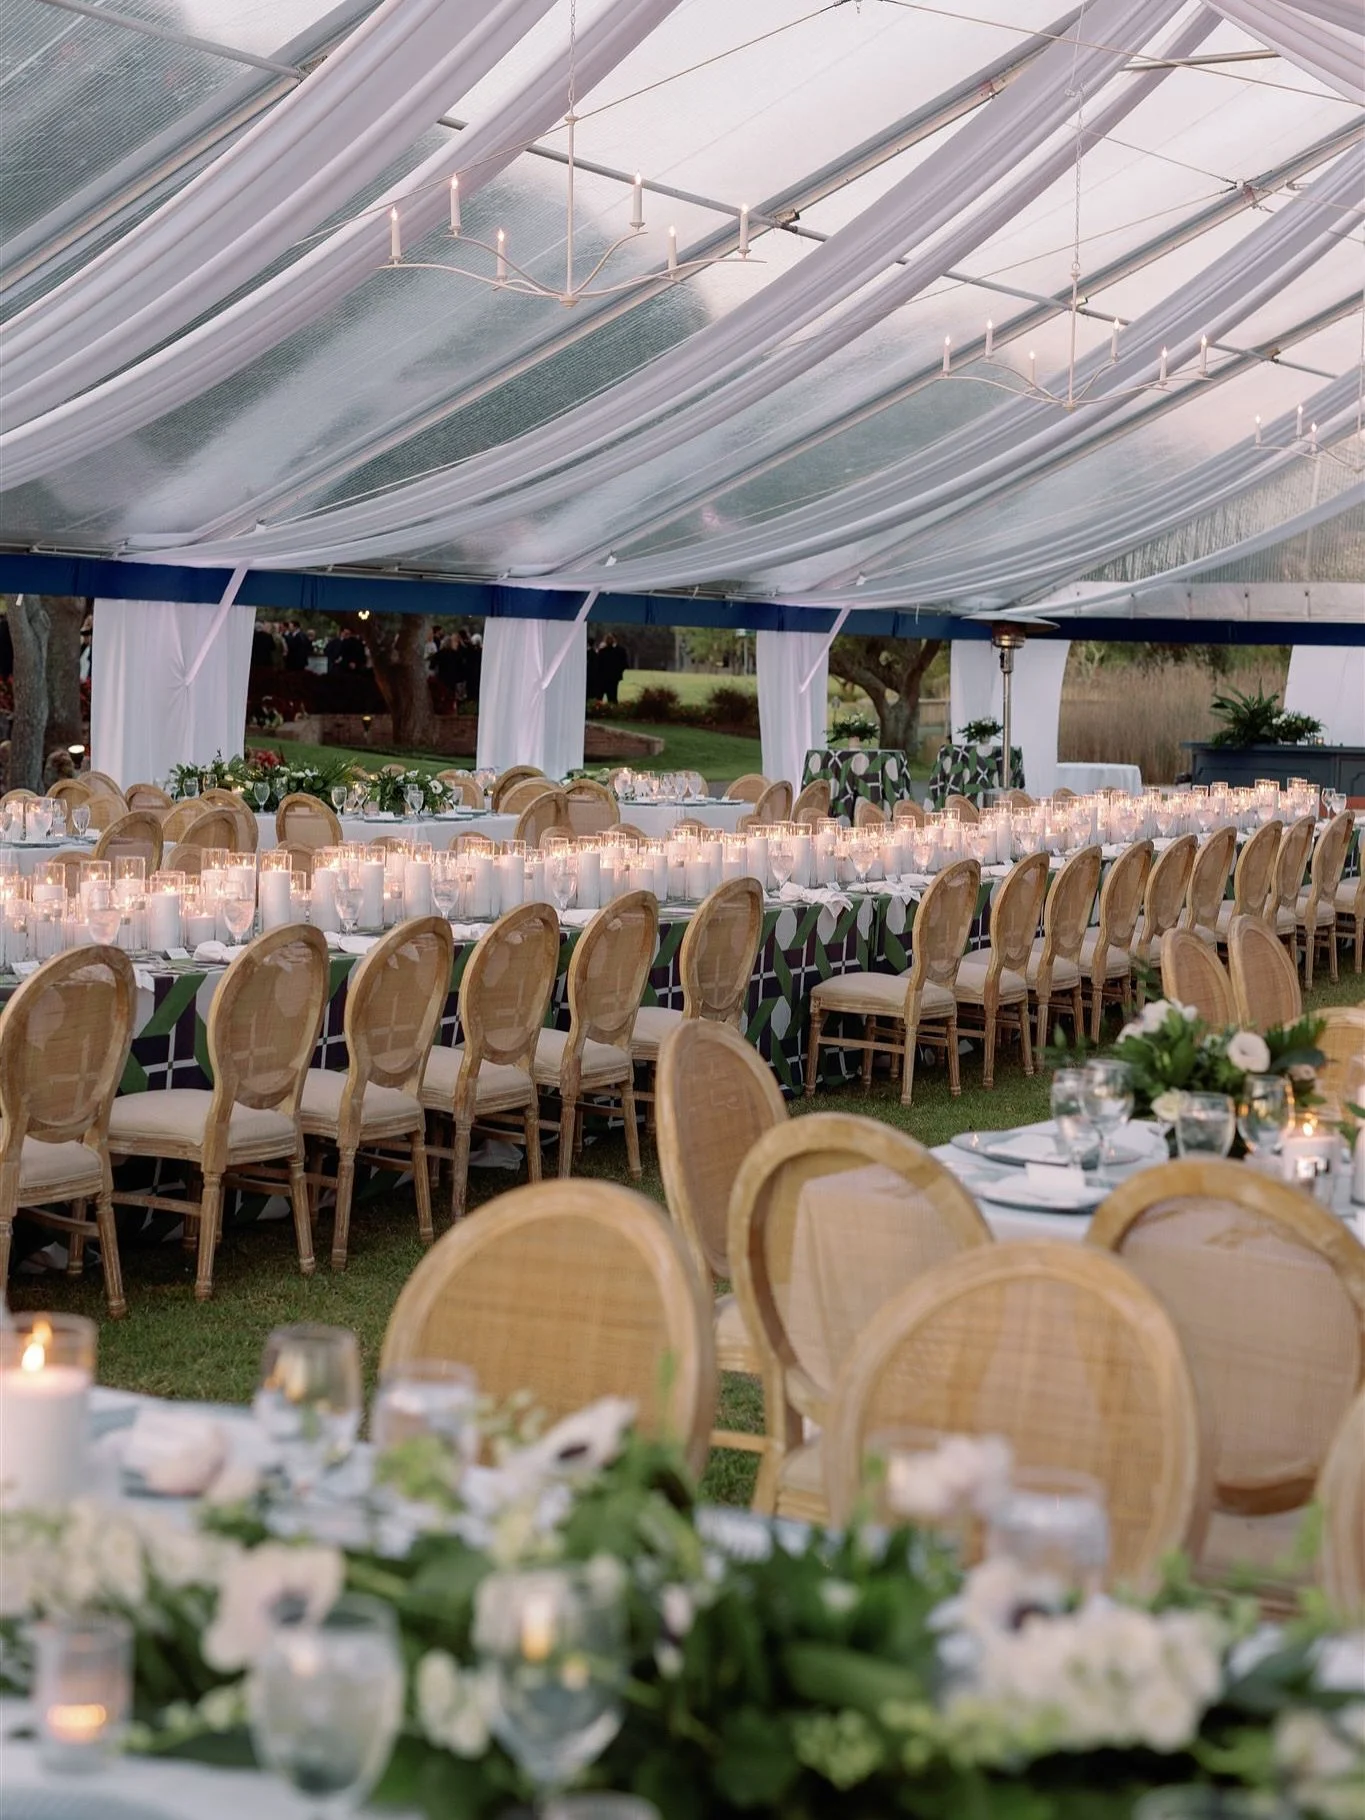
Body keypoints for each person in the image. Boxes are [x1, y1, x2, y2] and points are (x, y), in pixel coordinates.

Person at [600, 633, 628, 705]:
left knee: (600, 695)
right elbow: (624, 664)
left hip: (603, 677)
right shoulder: (619, 651)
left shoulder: (602, 652)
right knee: (613, 696)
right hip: (614, 678)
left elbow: (598, 665)